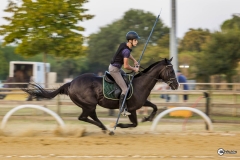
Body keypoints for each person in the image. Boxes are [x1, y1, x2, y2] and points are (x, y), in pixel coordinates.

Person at [109, 31, 140, 116]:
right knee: (125, 89)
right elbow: (126, 66)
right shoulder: (126, 50)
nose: (137, 41)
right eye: (135, 40)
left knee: (126, 78)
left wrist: (134, 61)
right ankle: (122, 109)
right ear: (131, 40)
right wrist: (134, 69)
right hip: (114, 70)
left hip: (116, 68)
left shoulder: (124, 45)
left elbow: (127, 54)